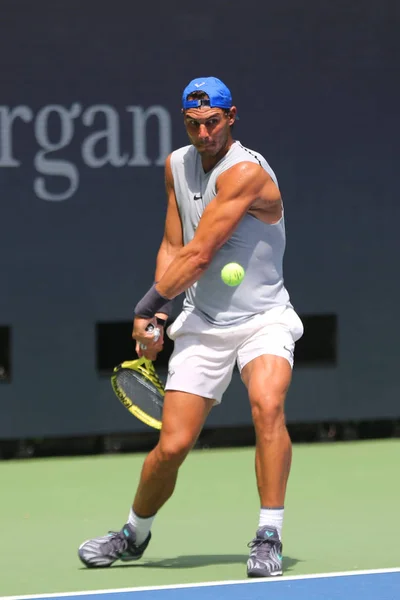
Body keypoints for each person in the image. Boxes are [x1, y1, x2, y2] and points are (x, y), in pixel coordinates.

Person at [78, 76, 304, 577]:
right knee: (173, 446)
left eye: (213, 122)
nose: (203, 133)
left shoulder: (245, 172)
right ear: (185, 122)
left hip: (263, 317)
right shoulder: (176, 165)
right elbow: (173, 243)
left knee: (268, 405)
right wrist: (160, 316)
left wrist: (145, 305)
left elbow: (200, 255)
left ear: (231, 117)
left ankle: (269, 534)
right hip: (202, 321)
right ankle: (133, 534)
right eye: (193, 124)